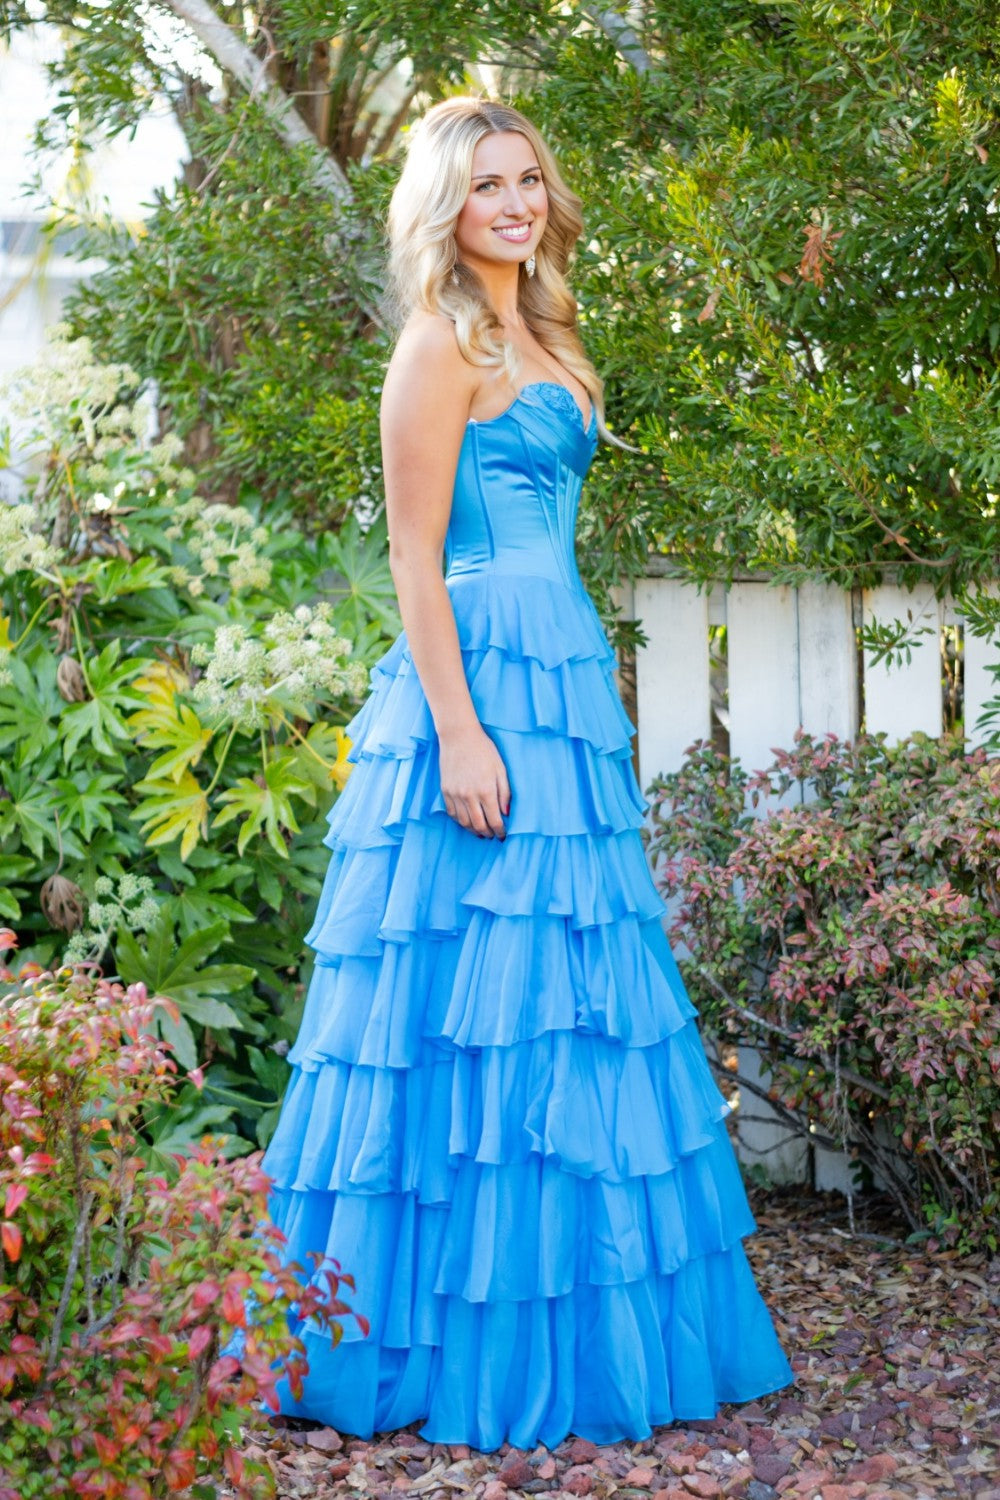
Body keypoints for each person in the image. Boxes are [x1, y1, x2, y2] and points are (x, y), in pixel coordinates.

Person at [260, 95, 795, 1451]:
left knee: (565, 991)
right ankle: (429, 1340)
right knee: (456, 1002)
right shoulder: (437, 343)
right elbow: (414, 558)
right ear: (445, 209)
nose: (513, 203)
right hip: (480, 682)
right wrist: (458, 731)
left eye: (527, 180)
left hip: (558, 679)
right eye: (486, 185)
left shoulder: (548, 334)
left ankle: (580, 1318)